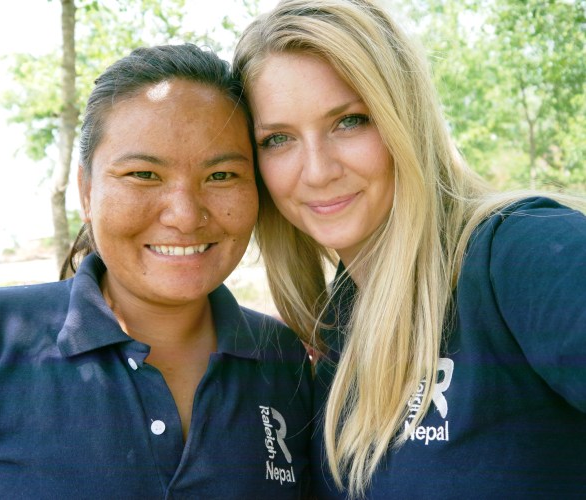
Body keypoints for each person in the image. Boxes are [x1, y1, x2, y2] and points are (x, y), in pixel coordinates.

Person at [0, 43, 312, 499]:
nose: (185, 216)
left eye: (221, 175)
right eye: (144, 175)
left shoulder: (283, 360)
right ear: (87, 192)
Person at [233, 0, 586, 498]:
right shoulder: (333, 331)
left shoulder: (522, 252)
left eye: (350, 121)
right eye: (277, 139)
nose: (317, 171)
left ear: (404, 116)